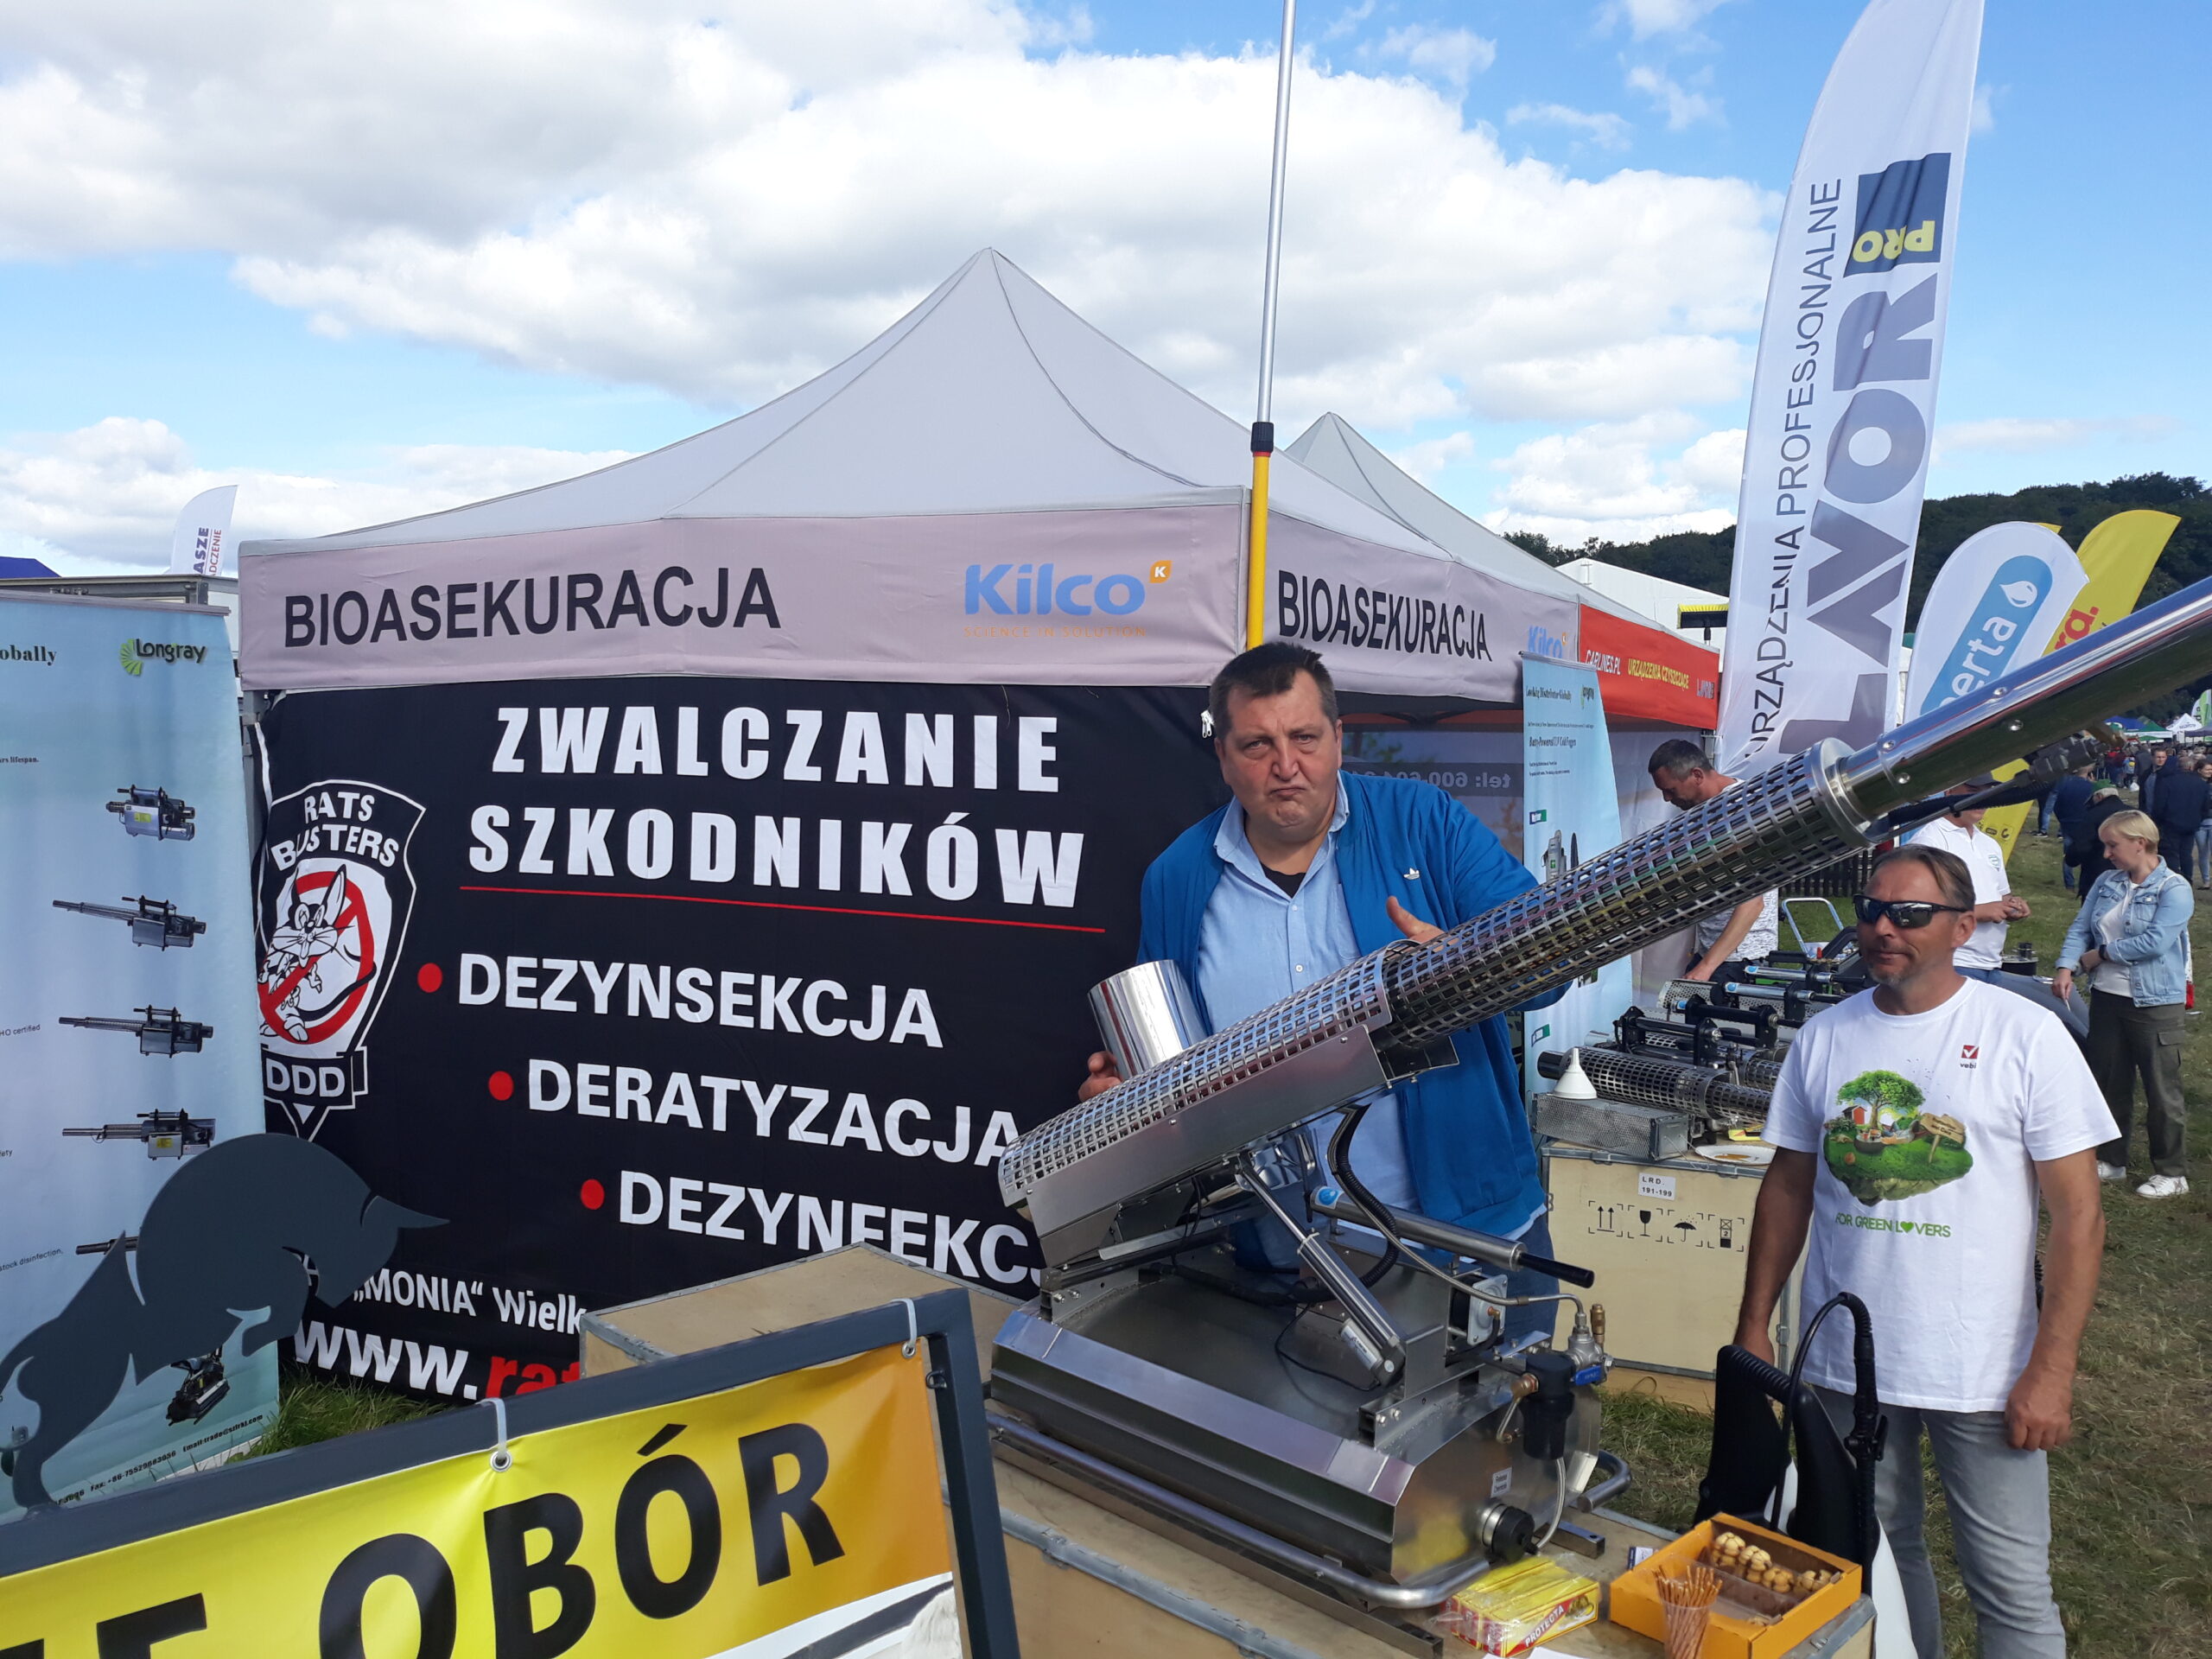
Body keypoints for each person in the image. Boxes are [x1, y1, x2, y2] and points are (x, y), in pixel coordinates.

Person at [1080, 642, 1561, 1327]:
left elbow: (1549, 968)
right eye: (1257, 745)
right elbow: (1172, 1079)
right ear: (1223, 757)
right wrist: (1125, 1101)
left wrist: (1464, 966)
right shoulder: (1176, 877)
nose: (1286, 766)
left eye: (1304, 737)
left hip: (1470, 1240)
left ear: (1338, 738)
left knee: (1509, 1397)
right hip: (1285, 1256)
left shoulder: (1425, 821)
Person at [1735, 843, 2114, 1659]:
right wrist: (1754, 1324)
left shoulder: (2023, 1034)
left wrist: (2051, 1370)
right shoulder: (1826, 1036)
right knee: (1872, 1557)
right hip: (1846, 1362)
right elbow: (1788, 1187)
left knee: (2010, 1587)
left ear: (1963, 926)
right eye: (1871, 910)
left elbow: (2080, 1217)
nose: (1883, 928)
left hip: (1982, 1367)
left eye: (1909, 914)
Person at [2055, 810, 2193, 1198]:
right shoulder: (2107, 882)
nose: (2106, 854)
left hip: (2154, 1002)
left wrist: (2100, 955)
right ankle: (2111, 1159)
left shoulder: (2175, 888)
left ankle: (2172, 1171)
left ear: (2140, 843)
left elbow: (2155, 942)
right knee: (2109, 1081)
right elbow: (2081, 926)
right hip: (2107, 997)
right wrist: (2066, 966)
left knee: (2161, 1089)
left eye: (2112, 845)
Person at [1907, 779, 2087, 1038]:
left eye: (1989, 793)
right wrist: (1979, 912)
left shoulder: (1988, 844)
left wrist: (2013, 906)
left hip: (1991, 964)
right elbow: (1914, 910)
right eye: (1972, 792)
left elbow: (2001, 894)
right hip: (1951, 964)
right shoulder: (1930, 840)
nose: (1983, 800)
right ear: (1949, 792)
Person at [1646, 740, 1779, 980]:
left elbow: (1753, 903)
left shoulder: (1740, 810)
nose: (1666, 798)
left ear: (1697, 775)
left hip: (1741, 959)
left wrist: (1706, 967)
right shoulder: (1704, 811)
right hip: (1714, 952)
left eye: (1671, 790)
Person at [2147, 746, 2209, 876]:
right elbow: (2205, 806)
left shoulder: (2166, 782)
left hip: (2171, 823)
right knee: (2186, 854)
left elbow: (2159, 805)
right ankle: (2188, 878)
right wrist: (2198, 819)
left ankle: (2174, 877)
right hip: (2191, 824)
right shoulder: (2201, 784)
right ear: (2192, 767)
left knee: (2172, 854)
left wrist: (2158, 821)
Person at [2065, 785, 2126, 898]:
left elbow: (2082, 845)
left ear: (2099, 796)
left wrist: (2071, 859)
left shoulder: (2093, 814)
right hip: (2130, 875)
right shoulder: (2135, 814)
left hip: (2096, 873)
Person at [2045, 765, 2098, 892]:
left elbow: (2057, 805)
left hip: (2067, 823)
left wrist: (2062, 819)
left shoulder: (2064, 784)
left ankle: (2069, 884)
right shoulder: (2091, 787)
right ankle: (2084, 883)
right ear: (2089, 770)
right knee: (2087, 855)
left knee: (2068, 854)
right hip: (2084, 825)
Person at [2195, 760, 2212, 888]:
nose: (2210, 772)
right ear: (2199, 770)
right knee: (2203, 852)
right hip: (2199, 823)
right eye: (2207, 769)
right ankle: (2206, 881)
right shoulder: (2194, 784)